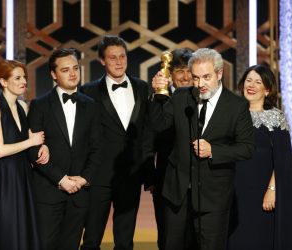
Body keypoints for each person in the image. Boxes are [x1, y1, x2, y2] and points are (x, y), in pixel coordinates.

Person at [149, 48, 255, 250]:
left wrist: (213, 150)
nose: (200, 84)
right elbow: (157, 126)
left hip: (213, 197)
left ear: (219, 73)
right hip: (177, 194)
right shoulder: (181, 96)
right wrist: (158, 96)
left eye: (206, 77)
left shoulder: (236, 106)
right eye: (196, 78)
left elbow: (247, 148)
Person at [80, 35, 151, 250]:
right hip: (98, 176)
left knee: (125, 241)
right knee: (91, 239)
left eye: (122, 56)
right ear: (102, 61)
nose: (119, 62)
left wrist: (147, 170)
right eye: (113, 58)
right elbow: (83, 136)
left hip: (130, 174)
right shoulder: (88, 91)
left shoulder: (143, 88)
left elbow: (148, 131)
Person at [27, 48, 101, 250]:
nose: (73, 74)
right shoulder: (39, 105)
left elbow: (97, 148)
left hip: (79, 193)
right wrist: (61, 179)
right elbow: (33, 150)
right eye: (65, 69)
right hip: (48, 193)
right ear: (53, 74)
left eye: (75, 68)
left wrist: (83, 179)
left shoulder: (91, 105)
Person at [0, 60, 48, 250]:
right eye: (18, 77)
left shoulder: (23, 107)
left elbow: (33, 139)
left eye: (24, 77)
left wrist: (43, 146)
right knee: (5, 230)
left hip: (22, 174)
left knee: (23, 230)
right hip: (2, 177)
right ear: (3, 82)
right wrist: (31, 142)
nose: (24, 81)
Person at [227, 64, 292, 250]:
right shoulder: (231, 114)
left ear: (267, 90)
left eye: (258, 82)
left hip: (263, 194)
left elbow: (283, 162)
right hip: (232, 192)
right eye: (248, 80)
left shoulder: (276, 118)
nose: (251, 85)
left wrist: (272, 189)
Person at [144, 48, 193, 250]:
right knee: (168, 236)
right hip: (165, 180)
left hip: (198, 179)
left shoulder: (204, 99)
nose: (185, 76)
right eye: (180, 71)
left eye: (189, 70)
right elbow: (147, 140)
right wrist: (151, 177)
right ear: (170, 74)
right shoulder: (158, 99)